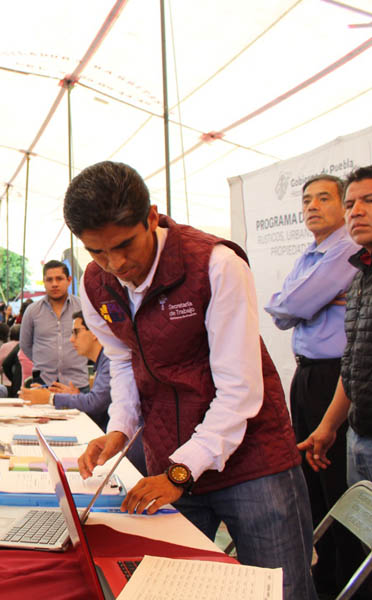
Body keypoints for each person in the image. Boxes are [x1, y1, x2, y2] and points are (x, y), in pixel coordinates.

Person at [67, 161, 317, 600]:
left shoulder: (215, 264)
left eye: (125, 245)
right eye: (97, 252)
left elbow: (240, 391)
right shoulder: (95, 284)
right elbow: (123, 359)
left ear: (152, 217)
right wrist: (120, 428)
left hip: (253, 462)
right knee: (176, 590)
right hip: (172, 460)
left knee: (281, 591)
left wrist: (181, 472)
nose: (116, 264)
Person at [264, 174, 360, 596]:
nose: (312, 207)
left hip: (334, 377)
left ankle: (346, 581)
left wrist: (301, 306)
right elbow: (280, 308)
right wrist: (299, 306)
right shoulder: (312, 253)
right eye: (306, 201)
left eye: (324, 198)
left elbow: (294, 304)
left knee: (336, 481)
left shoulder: (346, 249)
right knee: (311, 483)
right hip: (307, 374)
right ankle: (323, 581)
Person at [300, 165, 372, 491]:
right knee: (362, 537)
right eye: (350, 204)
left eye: (369, 201)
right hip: (359, 434)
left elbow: (290, 306)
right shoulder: (358, 279)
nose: (356, 211)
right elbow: (354, 362)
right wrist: (329, 426)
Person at [20, 312, 110, 429]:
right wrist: (76, 396)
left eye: (76, 332)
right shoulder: (104, 361)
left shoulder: (110, 362)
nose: (71, 339)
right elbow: (101, 408)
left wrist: (50, 398)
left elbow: (95, 404)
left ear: (94, 332)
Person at [20, 260, 89, 390]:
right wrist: (44, 361)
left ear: (69, 280)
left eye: (59, 279)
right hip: (42, 384)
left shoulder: (83, 308)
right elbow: (25, 345)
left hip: (77, 384)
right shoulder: (32, 311)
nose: (54, 284)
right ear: (44, 282)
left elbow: (93, 340)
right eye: (49, 280)